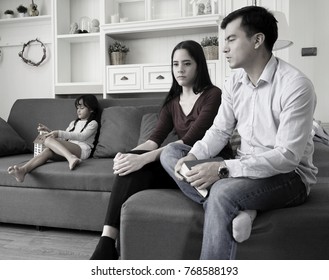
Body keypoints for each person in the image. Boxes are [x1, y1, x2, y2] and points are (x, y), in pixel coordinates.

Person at [160, 6, 318, 259]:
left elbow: (287, 157)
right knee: (171, 153)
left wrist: (223, 169)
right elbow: (220, 130)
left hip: (289, 177)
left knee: (222, 192)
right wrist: (194, 156)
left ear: (257, 40)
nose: (224, 48)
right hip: (242, 167)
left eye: (231, 39)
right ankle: (243, 206)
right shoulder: (233, 82)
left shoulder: (296, 85)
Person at [90, 40, 234, 260]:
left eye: (187, 63)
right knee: (130, 166)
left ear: (199, 66)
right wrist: (129, 155)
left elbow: (190, 139)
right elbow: (153, 140)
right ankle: (107, 242)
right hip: (177, 165)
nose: (180, 70)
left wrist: (143, 159)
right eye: (176, 64)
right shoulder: (171, 102)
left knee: (157, 157)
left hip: (207, 162)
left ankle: (106, 246)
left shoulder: (212, 95)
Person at [8, 94, 100, 183]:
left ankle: (71, 158)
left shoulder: (93, 123)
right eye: (77, 108)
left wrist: (58, 133)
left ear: (91, 109)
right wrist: (49, 131)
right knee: (48, 151)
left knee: (47, 140)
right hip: (69, 149)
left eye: (82, 108)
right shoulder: (73, 123)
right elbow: (63, 140)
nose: (78, 111)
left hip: (82, 149)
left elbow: (82, 136)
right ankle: (23, 170)